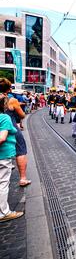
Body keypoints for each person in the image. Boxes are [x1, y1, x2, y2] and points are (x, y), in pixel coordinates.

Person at [0, 79, 31, 187]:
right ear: (8, 89)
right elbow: (22, 115)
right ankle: (23, 178)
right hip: (11, 128)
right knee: (20, 151)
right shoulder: (11, 100)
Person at [0, 94, 24, 223]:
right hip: (3, 155)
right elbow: (3, 137)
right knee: (3, 183)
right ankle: (4, 212)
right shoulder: (4, 118)